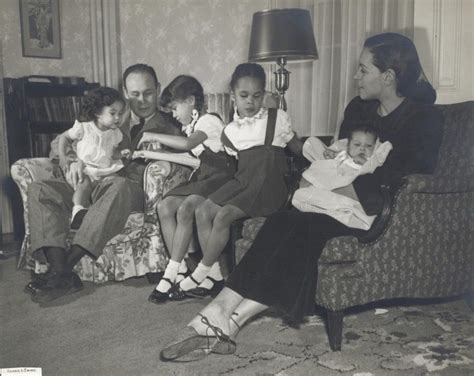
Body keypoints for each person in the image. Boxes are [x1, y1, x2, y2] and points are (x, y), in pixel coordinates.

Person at [159, 32, 443, 361]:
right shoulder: (358, 109)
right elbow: (338, 156)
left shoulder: (424, 118)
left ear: (389, 77)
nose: (356, 76)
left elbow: (410, 178)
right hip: (333, 200)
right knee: (283, 221)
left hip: (375, 211)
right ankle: (225, 315)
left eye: (363, 70)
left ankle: (225, 317)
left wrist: (344, 183)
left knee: (303, 231)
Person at [24, 64, 182, 303]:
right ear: (125, 92)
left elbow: (182, 165)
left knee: (118, 185)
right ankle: (61, 271)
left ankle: (66, 266)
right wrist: (73, 160)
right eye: (135, 94)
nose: (141, 100)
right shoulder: (109, 114)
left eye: (148, 93)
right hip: (92, 185)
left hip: (129, 191)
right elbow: (61, 141)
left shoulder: (171, 126)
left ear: (158, 90)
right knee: (40, 189)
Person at [165, 63, 303, 302]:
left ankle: (200, 273)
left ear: (265, 94)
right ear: (233, 97)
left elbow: (297, 147)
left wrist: (319, 156)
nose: (250, 102)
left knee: (223, 215)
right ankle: (213, 278)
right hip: (245, 182)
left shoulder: (277, 118)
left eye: (257, 96)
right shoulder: (230, 132)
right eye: (244, 96)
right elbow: (235, 164)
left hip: (269, 186)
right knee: (203, 210)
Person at [136, 75, 236, 304]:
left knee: (186, 208)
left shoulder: (208, 121)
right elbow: (189, 157)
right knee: (165, 206)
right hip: (205, 175)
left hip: (222, 176)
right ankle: (184, 269)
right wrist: (147, 154)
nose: (173, 113)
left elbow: (189, 145)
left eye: (174, 107)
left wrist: (150, 135)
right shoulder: (192, 125)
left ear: (191, 100)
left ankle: (170, 274)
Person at [292, 124, 393, 230]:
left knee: (343, 208)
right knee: (308, 192)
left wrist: (364, 163)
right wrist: (330, 156)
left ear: (375, 147)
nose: (362, 149)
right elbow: (332, 164)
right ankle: (319, 207)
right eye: (357, 145)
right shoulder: (343, 155)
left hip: (348, 196)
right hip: (332, 188)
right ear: (348, 145)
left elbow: (369, 175)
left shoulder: (371, 163)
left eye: (368, 146)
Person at [57, 87, 129, 229]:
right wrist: (63, 156)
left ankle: (103, 214)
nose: (118, 118)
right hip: (85, 169)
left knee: (117, 181)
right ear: (97, 113)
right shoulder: (84, 127)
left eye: (120, 114)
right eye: (113, 113)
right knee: (84, 184)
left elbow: (111, 154)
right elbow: (64, 137)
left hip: (104, 170)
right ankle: (78, 210)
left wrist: (122, 153)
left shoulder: (115, 133)